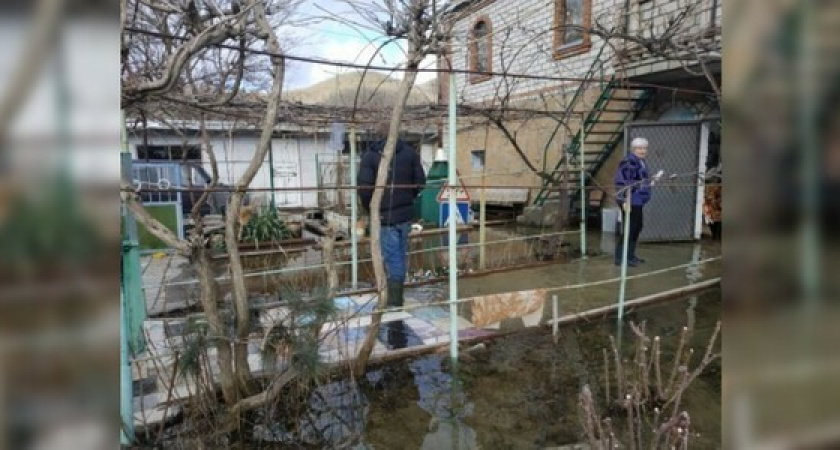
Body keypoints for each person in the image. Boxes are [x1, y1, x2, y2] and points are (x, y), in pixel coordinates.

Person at [357, 122, 426, 348]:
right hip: (405, 215)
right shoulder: (410, 153)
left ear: (377, 135)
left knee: (392, 259)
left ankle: (395, 304)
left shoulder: (371, 156)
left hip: (384, 215)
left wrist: (370, 208)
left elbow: (364, 188)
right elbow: (420, 183)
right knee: (400, 255)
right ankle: (395, 298)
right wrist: (406, 199)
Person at [614, 137, 655, 266]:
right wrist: (625, 199)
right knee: (630, 228)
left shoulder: (641, 161)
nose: (642, 151)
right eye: (639, 148)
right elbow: (625, 182)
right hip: (630, 199)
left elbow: (641, 178)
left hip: (638, 200)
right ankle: (621, 258)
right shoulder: (629, 162)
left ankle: (630, 255)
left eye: (644, 148)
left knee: (637, 227)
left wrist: (650, 180)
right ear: (633, 149)